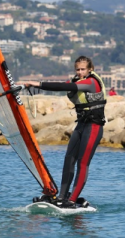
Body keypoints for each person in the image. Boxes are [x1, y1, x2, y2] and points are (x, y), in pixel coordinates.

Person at [24, 56, 107, 209]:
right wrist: (31, 84)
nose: (80, 72)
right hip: (81, 125)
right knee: (69, 159)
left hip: (93, 127)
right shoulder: (76, 81)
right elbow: (59, 84)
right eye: (77, 69)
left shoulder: (91, 82)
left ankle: (72, 199)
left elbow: (63, 87)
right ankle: (62, 196)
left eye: (83, 69)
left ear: (90, 70)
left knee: (82, 163)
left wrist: (37, 84)